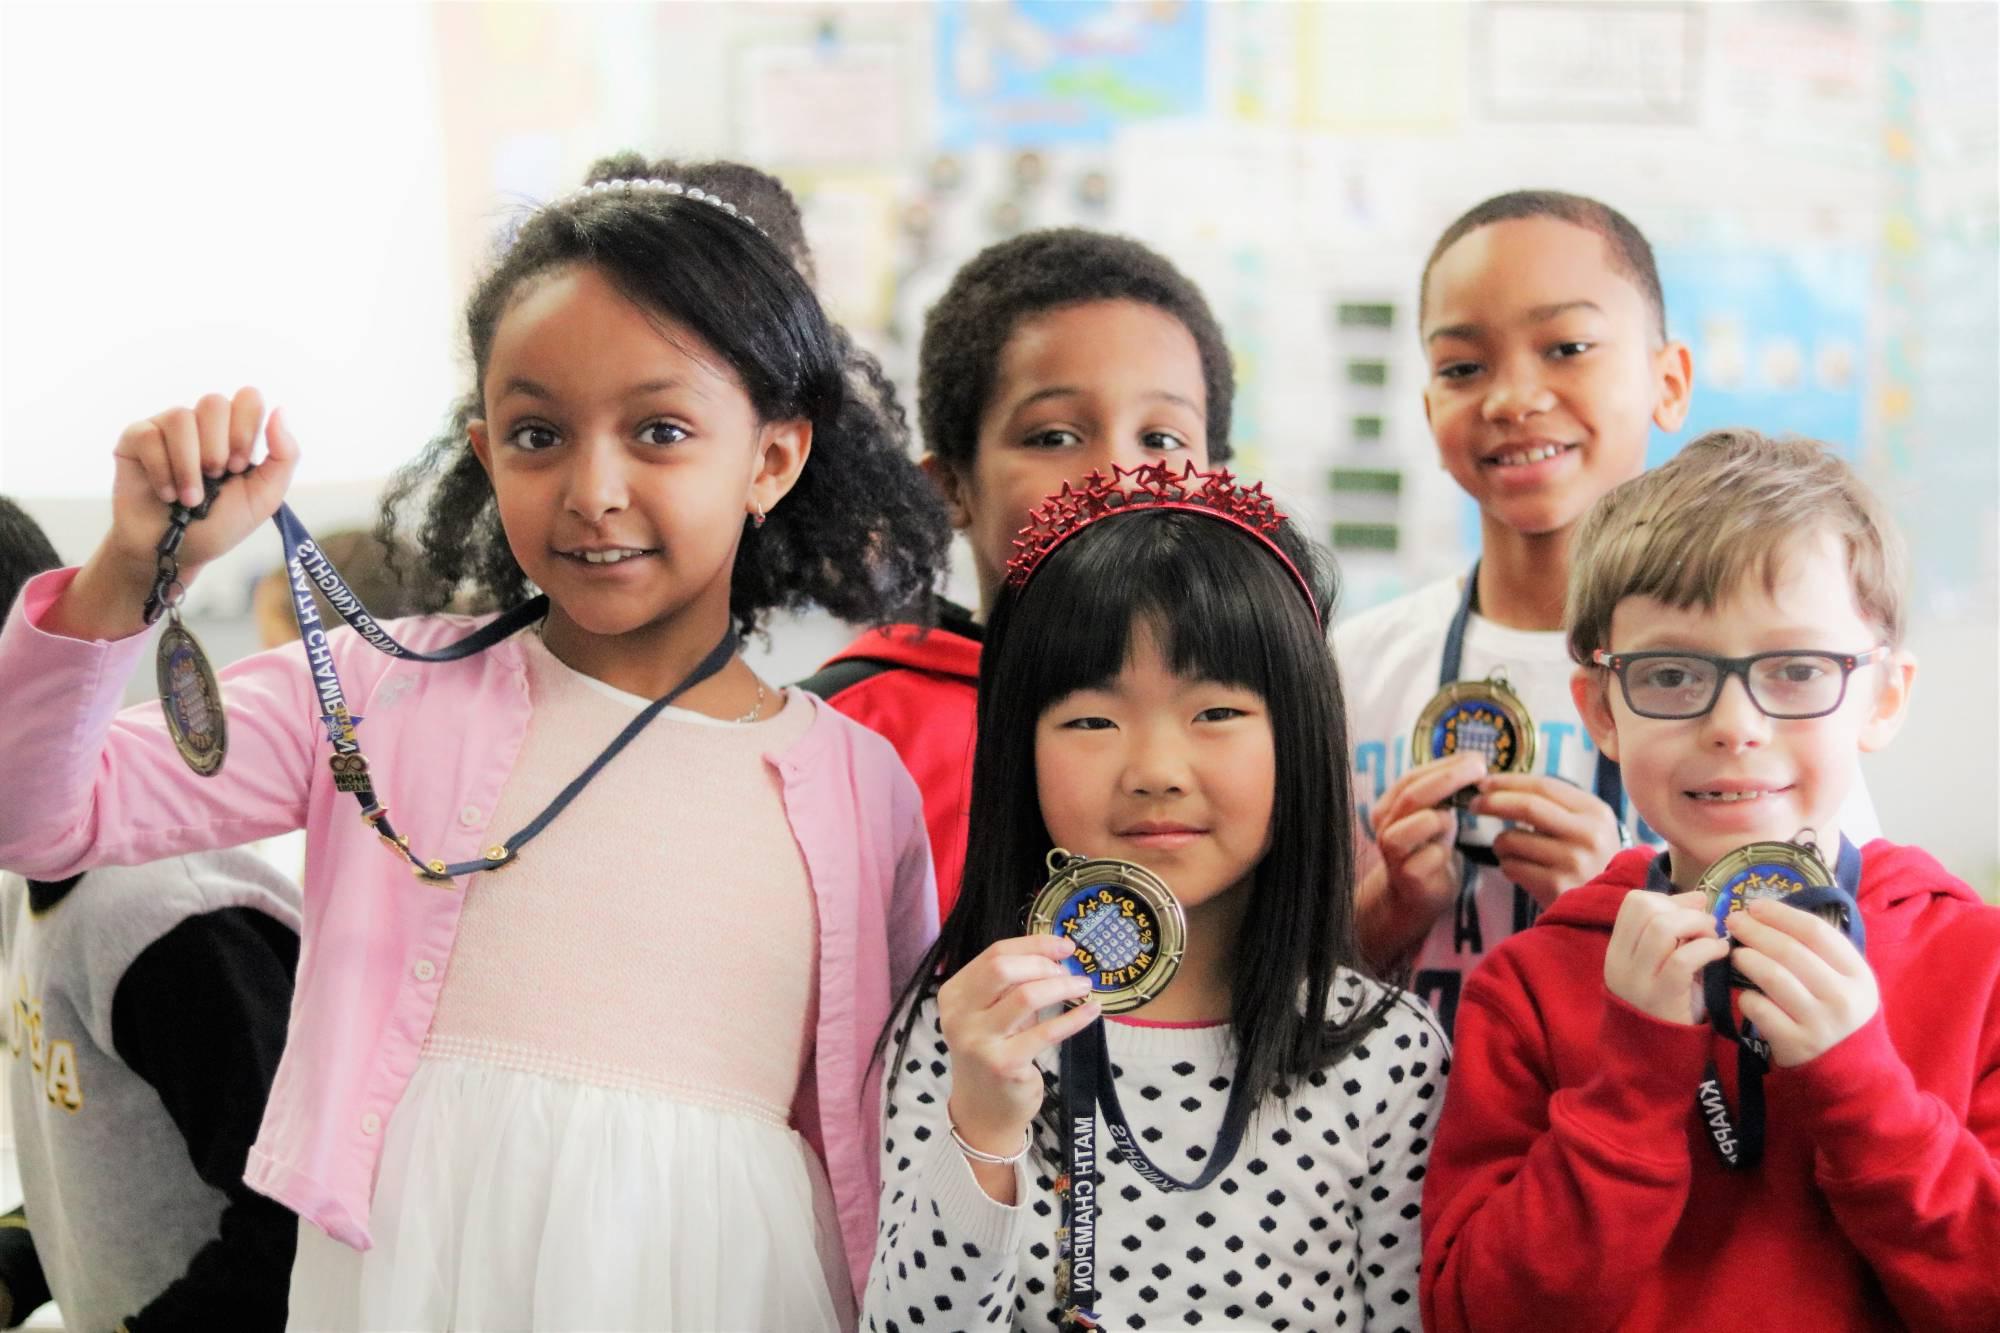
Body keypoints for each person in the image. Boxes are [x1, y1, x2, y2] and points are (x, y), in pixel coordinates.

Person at [0, 152, 948, 1330]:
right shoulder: (371, 690)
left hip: (726, 1285)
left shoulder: (857, 785)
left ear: (771, 457)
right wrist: (139, 565)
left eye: (658, 429)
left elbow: (881, 1117)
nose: (593, 488)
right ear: (486, 448)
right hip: (415, 1276)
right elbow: (38, 812)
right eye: (539, 434)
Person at [1421, 429, 2000, 1331]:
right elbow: (1477, 1314)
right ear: (1601, 708)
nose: (1735, 723)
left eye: (1799, 669)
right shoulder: (1529, 986)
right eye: (1673, 673)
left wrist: (1861, 1086)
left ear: (1883, 697)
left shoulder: (1978, 967)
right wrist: (1634, 1083)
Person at [865, 464, 1441, 1331]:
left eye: (1216, 713)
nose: (1156, 773)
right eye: (1093, 721)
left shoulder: (1386, 1053)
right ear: (1019, 751)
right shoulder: (974, 1027)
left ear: (1303, 741)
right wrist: (983, 1122)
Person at [1339, 189, 1880, 1033]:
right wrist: (1389, 907)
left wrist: (1629, 895)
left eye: (1567, 347)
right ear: (1428, 408)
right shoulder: (1349, 670)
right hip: (1386, 1155)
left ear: (1669, 384)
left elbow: (1835, 971)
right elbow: (1273, 978)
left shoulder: (1759, 701)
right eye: (1461, 367)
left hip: (1645, 1146)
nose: (1512, 397)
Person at [801, 228, 1236, 915]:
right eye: (1054, 437)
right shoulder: (846, 734)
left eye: (1162, 438)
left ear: (1212, 480)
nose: (1116, 478)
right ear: (949, 488)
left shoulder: (1261, 728)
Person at [0, 497, 301, 1331]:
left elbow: (291, 1231)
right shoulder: (33, 880)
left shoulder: (171, 923)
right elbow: (105, 1157)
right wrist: (19, 1262)